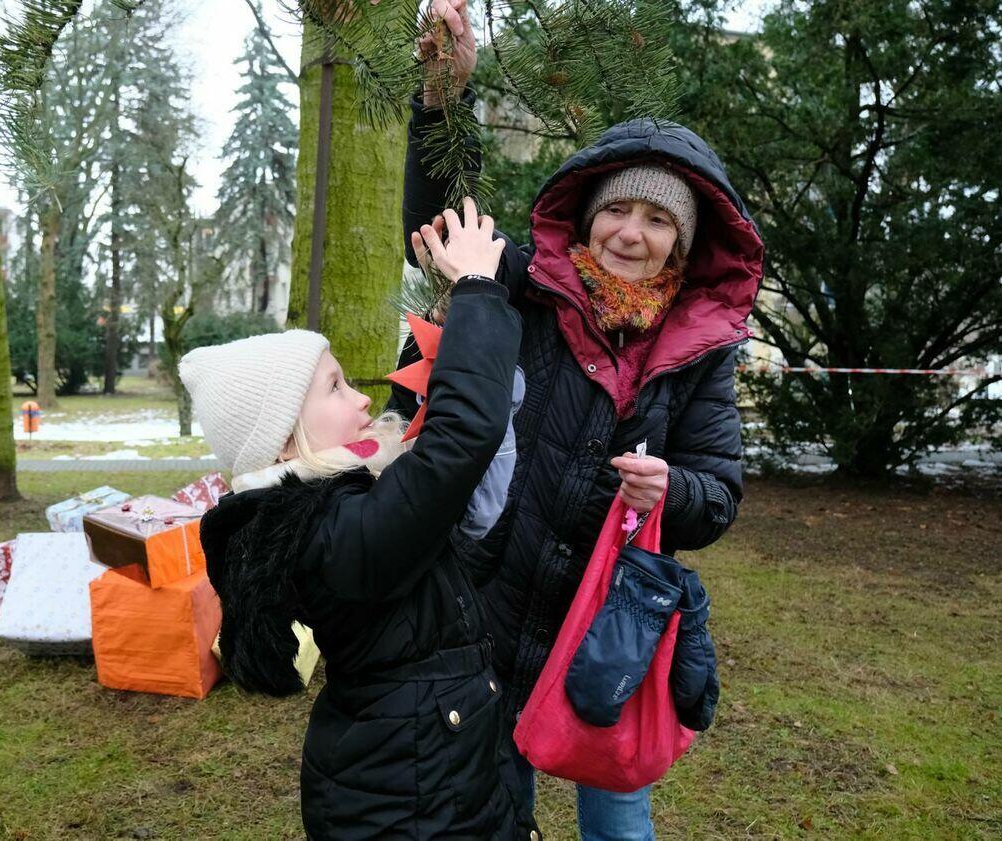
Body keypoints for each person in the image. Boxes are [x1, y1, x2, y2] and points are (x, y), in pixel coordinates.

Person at [396, 3, 764, 838]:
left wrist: (673, 488)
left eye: (658, 219)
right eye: (618, 210)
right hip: (494, 604)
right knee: (497, 812)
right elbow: (442, 226)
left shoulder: (700, 349)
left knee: (619, 817)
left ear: (683, 242)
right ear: (589, 213)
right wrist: (443, 101)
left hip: (609, 629)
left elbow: (718, 494)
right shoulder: (529, 288)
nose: (632, 233)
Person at [185, 200, 540, 839]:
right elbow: (456, 445)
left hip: (434, 775)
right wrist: (477, 290)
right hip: (405, 804)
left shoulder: (338, 500)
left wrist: (449, 323)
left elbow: (439, 456)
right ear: (284, 440)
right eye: (334, 387)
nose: (360, 400)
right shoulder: (330, 534)